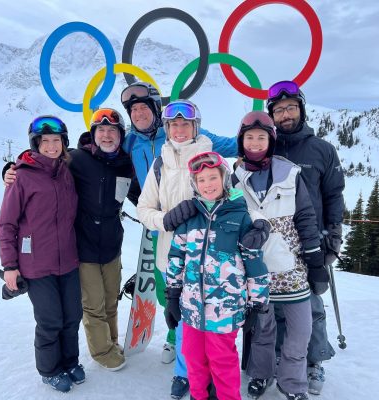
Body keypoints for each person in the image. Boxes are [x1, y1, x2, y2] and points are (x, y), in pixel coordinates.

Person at [3, 108, 140, 372]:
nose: (107, 135)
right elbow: (41, 163)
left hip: (112, 244)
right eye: (101, 130)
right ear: (93, 134)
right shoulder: (76, 159)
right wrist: (11, 170)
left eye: (112, 131)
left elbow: (138, 194)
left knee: (111, 299)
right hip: (81, 246)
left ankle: (110, 341)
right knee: (93, 304)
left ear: (121, 135)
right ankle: (101, 351)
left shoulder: (126, 163)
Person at [121, 82, 238, 366]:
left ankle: (197, 361)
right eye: (133, 110)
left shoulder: (207, 152)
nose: (180, 129)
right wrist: (163, 219)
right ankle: (178, 341)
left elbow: (235, 152)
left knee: (200, 304)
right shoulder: (132, 143)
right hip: (162, 235)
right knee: (168, 297)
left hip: (203, 248)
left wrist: (264, 140)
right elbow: (103, 154)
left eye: (185, 124)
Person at [233, 111, 325, 400]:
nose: (256, 143)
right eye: (250, 137)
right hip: (256, 271)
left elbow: (306, 217)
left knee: (299, 332)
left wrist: (315, 259)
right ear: (242, 141)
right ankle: (261, 375)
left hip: (291, 268)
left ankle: (291, 383)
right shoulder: (235, 178)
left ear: (271, 141)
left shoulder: (289, 173)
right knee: (262, 331)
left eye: (262, 137)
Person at [165, 151, 270, 400]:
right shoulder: (189, 219)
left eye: (212, 177)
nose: (207, 185)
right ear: (194, 185)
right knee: (193, 359)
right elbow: (176, 256)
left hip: (225, 311)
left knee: (222, 363)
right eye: (201, 180)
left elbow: (254, 263)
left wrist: (258, 303)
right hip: (191, 308)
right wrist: (171, 294)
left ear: (224, 179)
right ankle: (198, 396)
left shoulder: (240, 217)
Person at [267, 81, 345, 395]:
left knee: (310, 307)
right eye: (279, 110)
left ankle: (314, 361)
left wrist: (332, 238)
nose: (285, 115)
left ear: (301, 109)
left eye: (290, 108)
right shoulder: (265, 148)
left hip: (311, 243)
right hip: (275, 243)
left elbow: (335, 196)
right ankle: (278, 357)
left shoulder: (322, 150)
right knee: (275, 307)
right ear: (271, 115)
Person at [0, 116, 84, 393]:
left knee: (72, 316)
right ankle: (49, 370)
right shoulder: (21, 176)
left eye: (56, 140)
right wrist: (10, 265)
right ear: (35, 144)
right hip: (36, 264)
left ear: (63, 143)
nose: (51, 146)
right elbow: (6, 224)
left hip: (68, 259)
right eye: (44, 141)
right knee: (50, 321)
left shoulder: (66, 171)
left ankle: (70, 362)